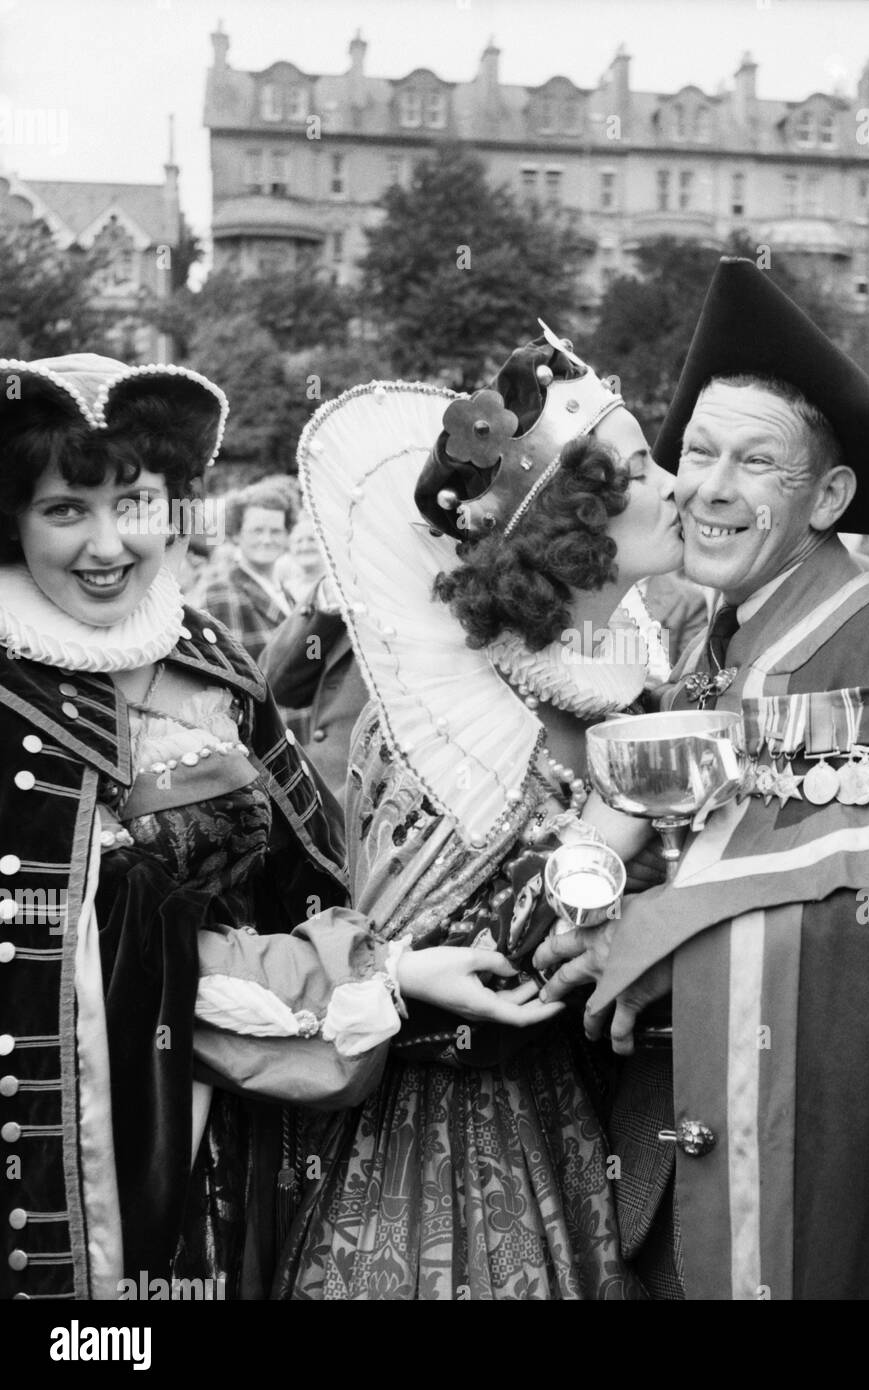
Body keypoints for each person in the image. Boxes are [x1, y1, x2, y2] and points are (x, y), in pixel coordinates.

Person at [0, 353, 559, 1301]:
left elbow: (314, 882)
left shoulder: (205, 651)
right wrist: (385, 976)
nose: (108, 544)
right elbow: (92, 965)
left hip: (250, 1130)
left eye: (135, 502)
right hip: (85, 1149)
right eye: (65, 509)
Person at [536, 258, 869, 1299]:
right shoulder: (709, 654)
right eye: (698, 453)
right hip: (676, 1142)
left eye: (756, 462)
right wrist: (600, 916)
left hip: (819, 1177)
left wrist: (678, 946)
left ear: (830, 496)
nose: (709, 487)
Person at [275, 330, 683, 1299]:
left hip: (584, 1116)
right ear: (566, 531)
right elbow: (448, 949)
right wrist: (629, 814)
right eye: (636, 470)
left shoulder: (636, 684)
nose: (673, 484)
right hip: (437, 1141)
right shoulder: (450, 721)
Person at [260, 574, 365, 807]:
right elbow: (283, 684)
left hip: (374, 805)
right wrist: (325, 599)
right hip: (324, 800)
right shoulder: (350, 585)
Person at [198, 481, 295, 664]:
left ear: (287, 535)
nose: (266, 539)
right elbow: (228, 671)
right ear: (236, 534)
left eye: (275, 531)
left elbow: (312, 651)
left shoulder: (287, 595)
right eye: (257, 531)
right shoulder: (223, 592)